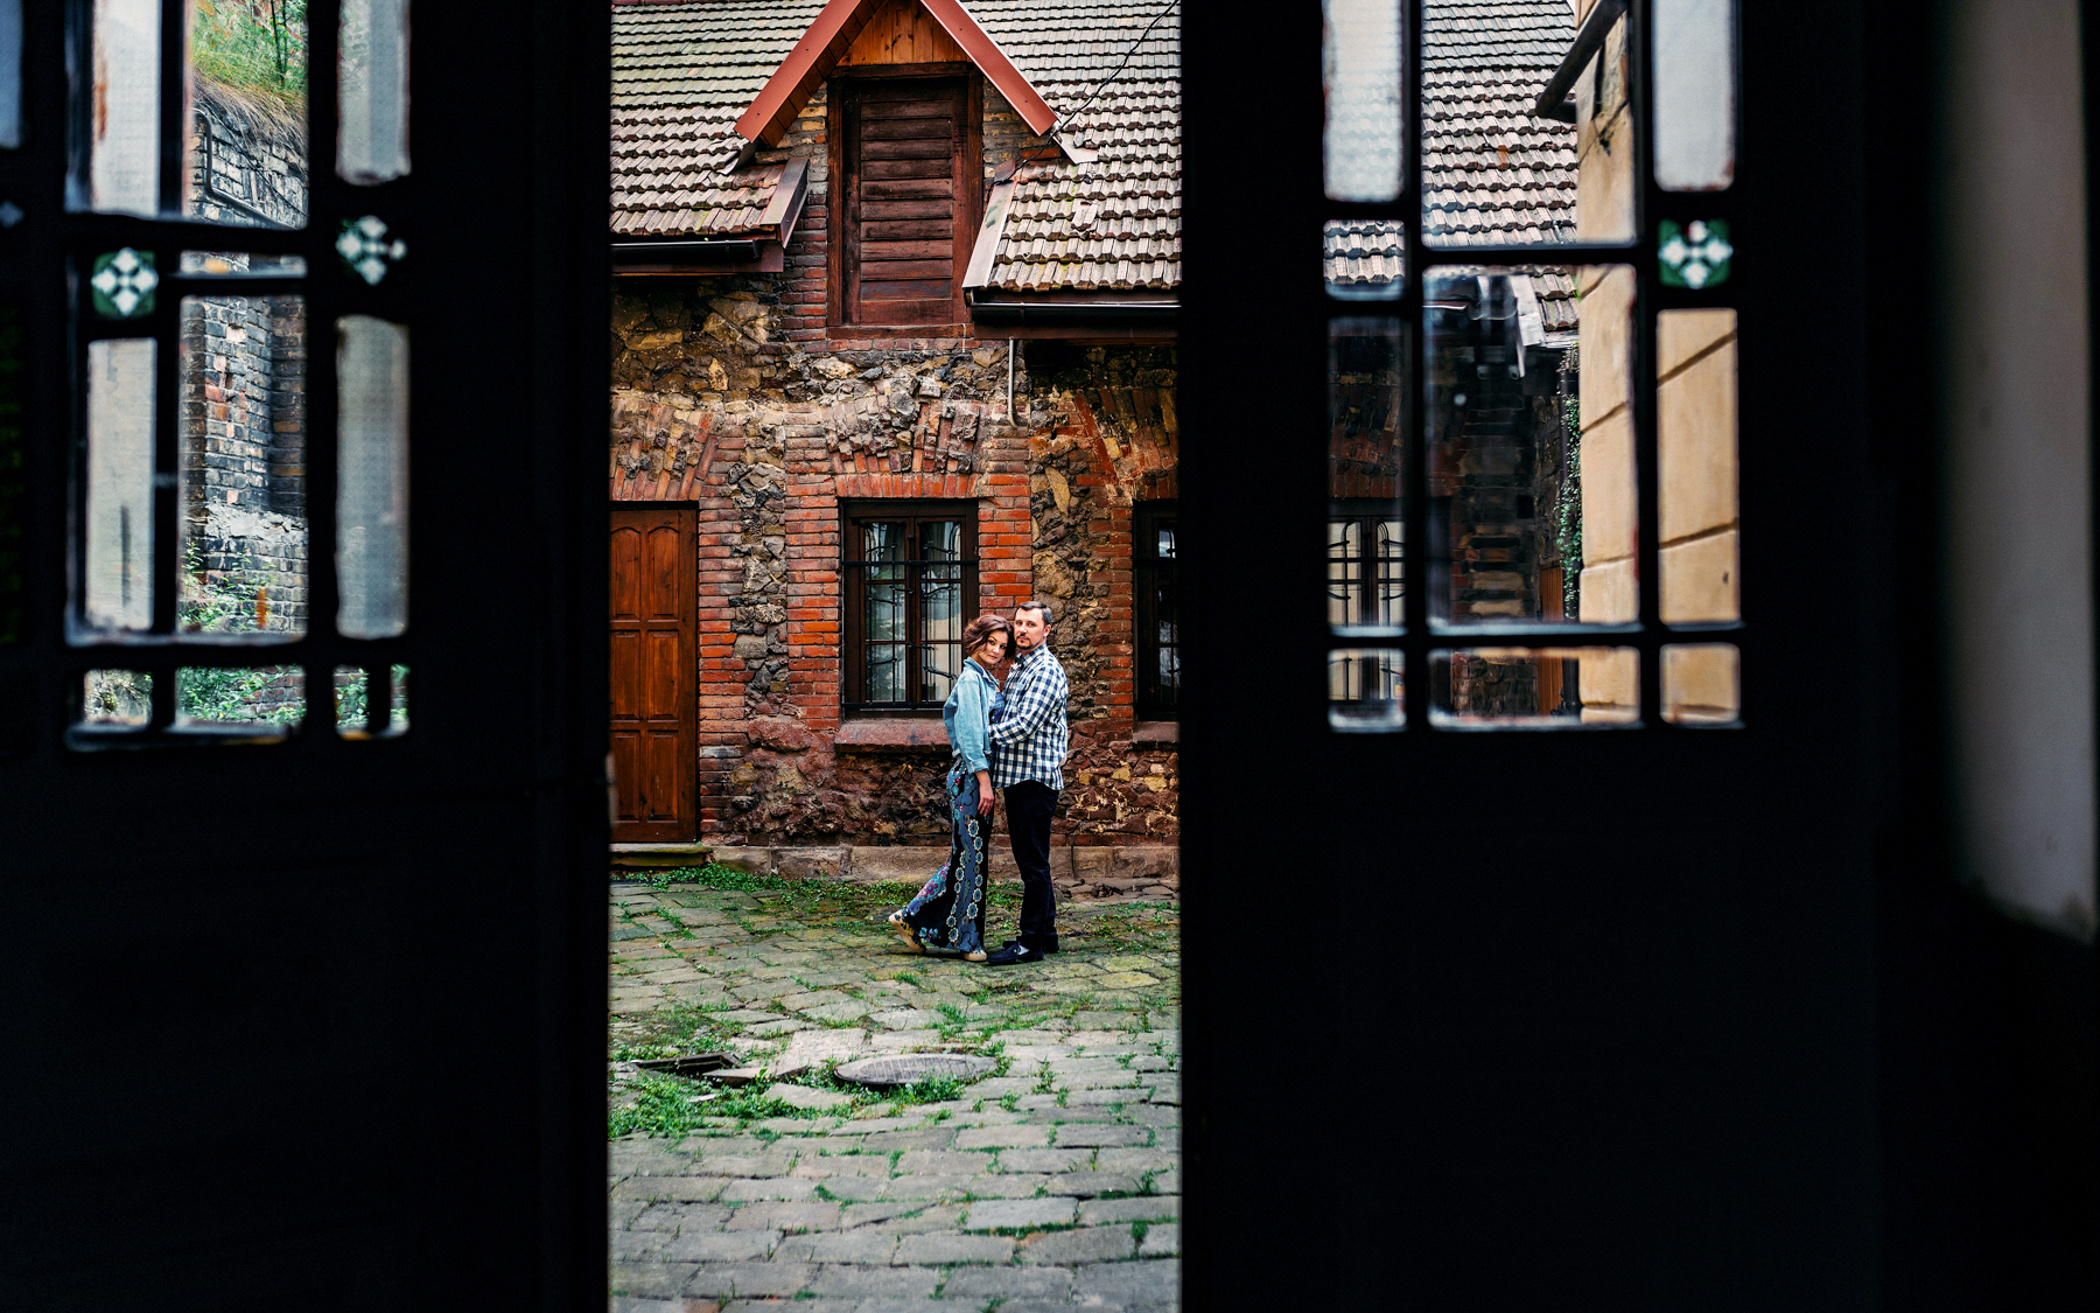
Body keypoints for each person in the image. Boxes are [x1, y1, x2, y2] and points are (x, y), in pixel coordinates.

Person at [888, 614, 1013, 961]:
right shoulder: (972, 680)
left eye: (1003, 646)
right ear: (977, 640)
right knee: (971, 860)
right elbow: (973, 736)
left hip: (975, 777)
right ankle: (967, 941)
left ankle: (910, 918)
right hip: (972, 778)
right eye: (992, 643)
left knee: (966, 856)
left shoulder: (985, 680)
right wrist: (985, 783)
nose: (997, 651)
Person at [981, 599, 1071, 966]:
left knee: (1032, 864)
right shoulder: (1021, 665)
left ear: (1046, 630)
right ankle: (1046, 935)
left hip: (1034, 780)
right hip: (1020, 779)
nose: (1021, 630)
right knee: (1036, 861)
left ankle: (1029, 943)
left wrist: (978, 734)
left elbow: (1023, 725)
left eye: (1030, 625)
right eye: (1018, 623)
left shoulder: (1046, 670)